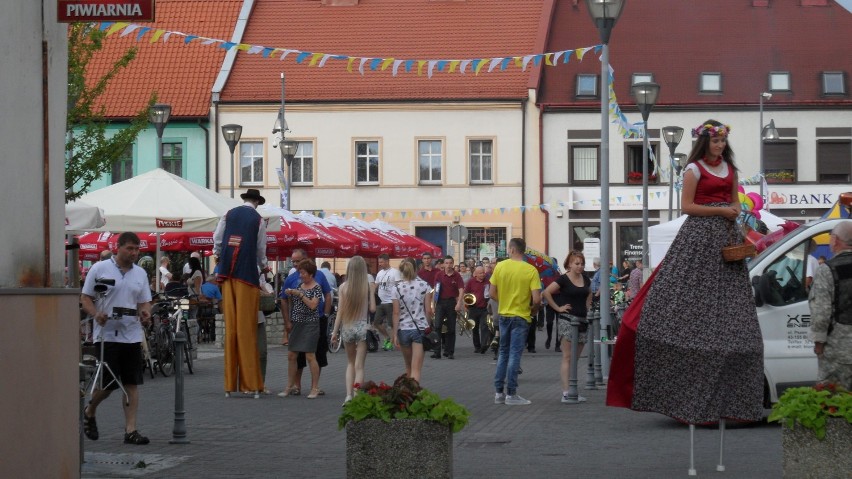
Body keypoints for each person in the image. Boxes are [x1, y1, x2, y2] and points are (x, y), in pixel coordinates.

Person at [608, 120, 764, 425]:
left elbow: (734, 200)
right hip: (698, 235)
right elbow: (688, 206)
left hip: (726, 237)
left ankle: (733, 400)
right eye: (715, 141)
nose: (719, 146)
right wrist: (721, 210)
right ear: (704, 143)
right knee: (687, 286)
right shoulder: (693, 169)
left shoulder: (730, 170)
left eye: (722, 141)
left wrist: (733, 211)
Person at [80, 232, 153, 445]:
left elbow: (144, 301)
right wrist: (96, 314)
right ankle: (90, 410)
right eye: (130, 248)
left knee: (131, 383)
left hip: (131, 333)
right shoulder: (100, 268)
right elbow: (86, 298)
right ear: (118, 247)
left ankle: (131, 430)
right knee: (109, 384)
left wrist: (145, 312)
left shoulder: (140, 273)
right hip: (107, 335)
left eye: (136, 249)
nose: (134, 253)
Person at [213, 188, 267, 397]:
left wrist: (219, 257)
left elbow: (217, 239)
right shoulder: (258, 220)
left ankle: (229, 384)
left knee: (231, 327)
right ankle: (250, 383)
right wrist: (264, 267)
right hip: (246, 275)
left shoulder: (228, 214)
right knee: (246, 329)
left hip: (227, 274)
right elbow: (261, 249)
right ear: (256, 202)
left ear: (245, 199)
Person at [491, 238, 542, 406]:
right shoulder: (531, 270)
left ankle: (499, 392)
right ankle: (511, 394)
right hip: (521, 316)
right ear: (523, 251)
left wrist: (505, 302)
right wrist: (533, 310)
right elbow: (536, 299)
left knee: (503, 353)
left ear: (512, 249)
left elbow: (492, 293)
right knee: (514, 354)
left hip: (504, 315)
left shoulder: (500, 266)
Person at [279, 249, 333, 396]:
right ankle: (292, 386)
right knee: (293, 355)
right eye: (294, 262)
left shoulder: (317, 283)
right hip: (297, 322)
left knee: (312, 355)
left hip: (312, 322)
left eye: (298, 262)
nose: (296, 266)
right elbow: (285, 299)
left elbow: (317, 302)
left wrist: (326, 314)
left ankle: (315, 387)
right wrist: (287, 322)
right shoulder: (294, 280)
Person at [543, 251, 592, 403]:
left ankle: (573, 389)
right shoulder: (563, 279)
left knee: (575, 358)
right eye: (577, 263)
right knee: (567, 356)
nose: (580, 266)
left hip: (582, 320)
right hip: (567, 319)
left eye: (582, 264)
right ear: (569, 264)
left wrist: (588, 308)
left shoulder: (585, 279)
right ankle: (566, 392)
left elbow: (589, 293)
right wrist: (558, 308)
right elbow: (546, 292)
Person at [808, 221, 852, 389]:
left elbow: (821, 312)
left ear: (835, 240)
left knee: (833, 400)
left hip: (838, 349)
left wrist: (819, 342)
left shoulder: (827, 270)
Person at [330, 256, 376, 404]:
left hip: (347, 327)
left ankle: (348, 395)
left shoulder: (343, 287)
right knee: (359, 366)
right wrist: (373, 294)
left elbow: (340, 312)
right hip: (362, 327)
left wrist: (334, 332)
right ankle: (357, 395)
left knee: (350, 363)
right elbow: (372, 309)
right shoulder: (367, 286)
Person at [391, 258, 433, 383]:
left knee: (408, 367)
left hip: (403, 329)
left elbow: (396, 313)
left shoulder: (396, 288)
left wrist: (394, 334)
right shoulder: (425, 286)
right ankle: (414, 395)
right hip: (419, 328)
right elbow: (428, 311)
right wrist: (428, 326)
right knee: (416, 369)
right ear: (416, 269)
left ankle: (407, 395)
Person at [431, 255, 464, 360]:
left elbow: (461, 289)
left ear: (453, 264)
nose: (448, 265)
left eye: (450, 263)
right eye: (446, 263)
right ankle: (437, 352)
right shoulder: (439, 275)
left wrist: (459, 303)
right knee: (437, 327)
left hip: (451, 303)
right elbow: (435, 290)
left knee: (451, 328)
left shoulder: (457, 275)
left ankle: (449, 352)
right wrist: (433, 305)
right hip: (440, 303)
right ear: (443, 264)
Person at [374, 253, 402, 351]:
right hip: (381, 302)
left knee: (391, 324)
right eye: (379, 262)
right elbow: (375, 286)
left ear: (387, 261)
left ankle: (391, 342)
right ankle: (387, 337)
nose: (380, 264)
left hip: (391, 302)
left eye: (381, 262)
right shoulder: (379, 273)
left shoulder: (395, 272)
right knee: (376, 322)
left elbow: (399, 286)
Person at [464, 265, 489, 353]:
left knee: (484, 327)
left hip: (484, 309)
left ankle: (483, 346)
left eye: (483, 273)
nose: (483, 274)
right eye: (480, 273)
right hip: (473, 308)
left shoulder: (487, 282)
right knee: (474, 328)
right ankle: (477, 346)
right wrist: (466, 304)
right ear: (476, 274)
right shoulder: (471, 281)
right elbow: (466, 293)